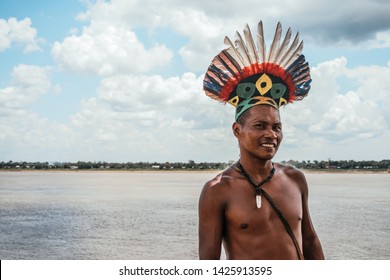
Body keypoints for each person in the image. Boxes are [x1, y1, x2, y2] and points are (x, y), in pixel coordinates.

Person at [198, 21, 324, 260]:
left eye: (277, 127)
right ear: (237, 130)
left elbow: (310, 240)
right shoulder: (217, 190)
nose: (271, 135)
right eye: (260, 126)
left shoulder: (295, 179)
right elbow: (208, 263)